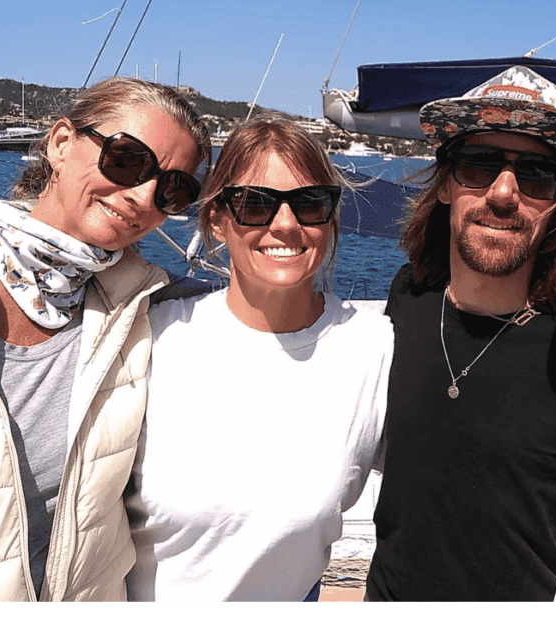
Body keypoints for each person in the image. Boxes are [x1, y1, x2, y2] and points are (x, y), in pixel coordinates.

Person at [0, 78, 211, 601]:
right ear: (61, 143)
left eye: (173, 189)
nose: (143, 196)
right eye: (128, 160)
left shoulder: (148, 305)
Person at [126, 119, 393, 602]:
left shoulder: (373, 347)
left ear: (331, 218)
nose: (286, 224)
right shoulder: (154, 337)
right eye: (254, 204)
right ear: (216, 219)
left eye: (310, 203)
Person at [365, 65, 556, 601]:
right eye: (478, 164)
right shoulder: (408, 299)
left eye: (537, 174)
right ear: (445, 182)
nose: (504, 192)